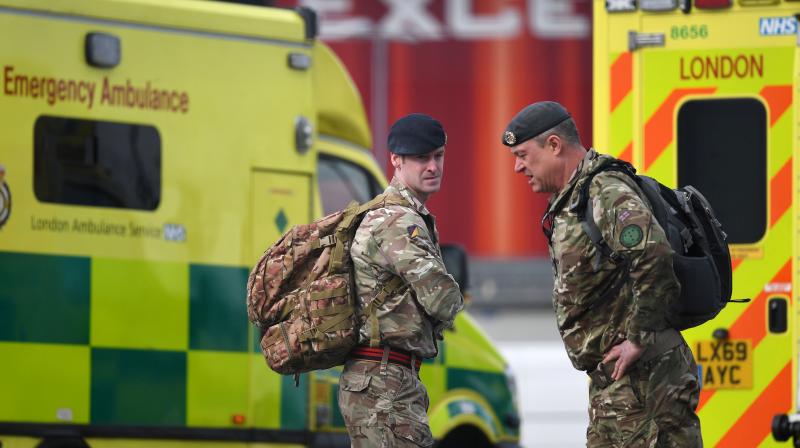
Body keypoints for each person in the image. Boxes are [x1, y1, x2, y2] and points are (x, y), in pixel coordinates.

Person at [502, 101, 702, 446]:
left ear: (553, 145)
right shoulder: (575, 198)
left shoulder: (604, 191)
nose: (518, 167)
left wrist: (638, 339)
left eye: (523, 154)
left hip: (645, 382)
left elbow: (654, 256)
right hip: (616, 384)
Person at [339, 113, 464, 447]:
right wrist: (455, 298)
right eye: (421, 158)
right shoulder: (397, 220)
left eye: (438, 156)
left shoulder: (392, 213)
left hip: (384, 380)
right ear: (395, 160)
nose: (433, 167)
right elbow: (441, 297)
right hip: (384, 382)